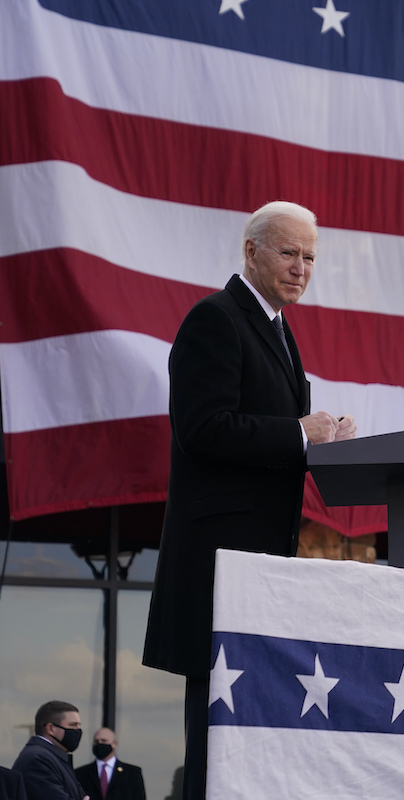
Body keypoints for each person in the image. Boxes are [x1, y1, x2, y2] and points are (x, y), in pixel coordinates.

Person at [141, 201, 356, 800]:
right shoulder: (215, 319)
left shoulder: (280, 332)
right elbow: (202, 428)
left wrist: (323, 440)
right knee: (215, 745)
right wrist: (296, 433)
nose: (301, 267)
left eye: (310, 256)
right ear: (251, 251)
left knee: (246, 743)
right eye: (289, 252)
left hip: (261, 571)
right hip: (219, 567)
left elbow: (273, 434)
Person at [11, 701, 88, 800]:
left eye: (79, 726)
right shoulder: (38, 759)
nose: (78, 731)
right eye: (73, 725)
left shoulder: (53, 758)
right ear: (51, 728)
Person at [73, 729, 145, 800]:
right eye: (96, 741)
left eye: (104, 741)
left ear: (115, 744)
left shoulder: (132, 773)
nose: (99, 743)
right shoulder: (80, 773)